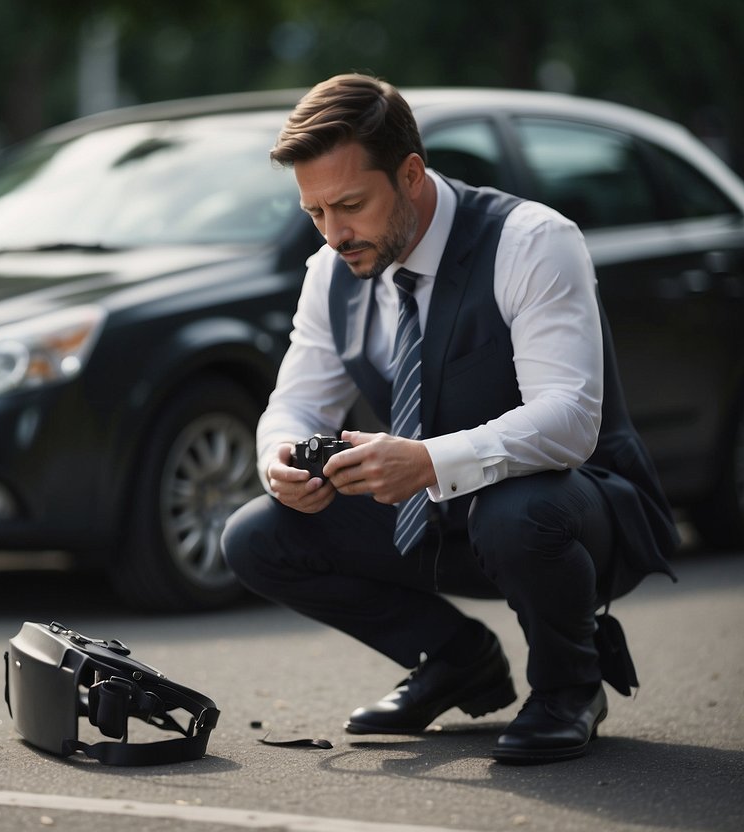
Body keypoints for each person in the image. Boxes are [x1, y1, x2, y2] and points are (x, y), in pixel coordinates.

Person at [221, 73, 678, 764]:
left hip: (577, 513)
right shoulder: (330, 271)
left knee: (516, 510)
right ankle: (454, 658)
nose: (334, 233)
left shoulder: (531, 240)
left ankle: (568, 686)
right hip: (437, 522)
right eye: (314, 212)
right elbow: (295, 400)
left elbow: (570, 420)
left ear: (409, 175)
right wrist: (279, 457)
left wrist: (429, 461)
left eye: (349, 204)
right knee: (255, 535)